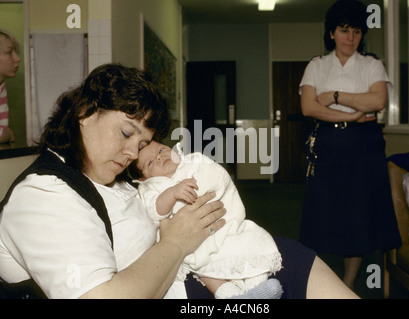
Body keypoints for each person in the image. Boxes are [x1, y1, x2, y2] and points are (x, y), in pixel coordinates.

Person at [0, 63, 358, 299]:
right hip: (179, 293)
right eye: (125, 132)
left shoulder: (109, 178)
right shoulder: (43, 195)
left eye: (140, 144)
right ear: (84, 113)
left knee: (281, 255)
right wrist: (176, 242)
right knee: (282, 269)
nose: (130, 152)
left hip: (184, 278)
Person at [298, 0, 401, 290]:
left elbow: (378, 101)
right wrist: (355, 113)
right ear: (332, 33)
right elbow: (308, 107)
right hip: (329, 144)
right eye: (344, 31)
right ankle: (314, 282)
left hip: (364, 147)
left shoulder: (371, 64)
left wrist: (335, 96)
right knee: (322, 215)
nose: (351, 38)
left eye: (356, 31)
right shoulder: (317, 65)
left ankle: (348, 282)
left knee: (358, 216)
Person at [131, 140, 282, 299]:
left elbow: (218, 178)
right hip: (194, 244)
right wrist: (172, 193)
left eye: (161, 150)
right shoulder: (152, 186)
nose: (159, 157)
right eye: (150, 162)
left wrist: (200, 185)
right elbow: (154, 210)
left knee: (254, 243)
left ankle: (257, 289)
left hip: (226, 228)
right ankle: (233, 296)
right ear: (143, 178)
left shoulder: (194, 162)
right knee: (205, 271)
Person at [0, 29, 21, 144]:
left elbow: (3, 128)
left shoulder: (1, 85)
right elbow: (3, 133)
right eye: (9, 52)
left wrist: (4, 134)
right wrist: (6, 135)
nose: (17, 59)